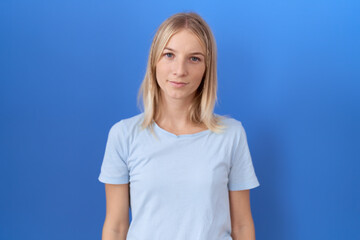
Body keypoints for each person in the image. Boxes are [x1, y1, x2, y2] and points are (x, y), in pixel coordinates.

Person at [98, 11, 260, 240]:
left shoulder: (231, 135)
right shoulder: (123, 135)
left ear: (207, 68)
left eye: (194, 58)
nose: (179, 70)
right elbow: (115, 227)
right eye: (169, 55)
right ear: (154, 60)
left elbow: (242, 226)